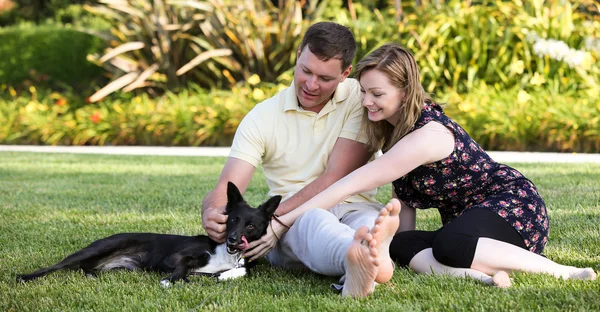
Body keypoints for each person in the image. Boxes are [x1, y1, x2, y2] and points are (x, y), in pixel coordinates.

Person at [254, 43, 597, 297]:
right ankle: (484, 277)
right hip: (471, 229)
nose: (366, 101)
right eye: (363, 92)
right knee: (403, 247)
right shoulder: (391, 130)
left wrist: (281, 223)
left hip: (511, 207)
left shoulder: (428, 134)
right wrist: (395, 241)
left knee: (451, 242)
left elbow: (347, 184)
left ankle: (565, 272)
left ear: (404, 92)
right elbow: (403, 201)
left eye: (377, 93)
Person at [201, 22, 401, 297]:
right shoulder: (262, 117)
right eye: (305, 71)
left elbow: (335, 176)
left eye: (325, 78)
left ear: (345, 74)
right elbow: (227, 185)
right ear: (298, 55)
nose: (311, 84)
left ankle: (365, 257)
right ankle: (360, 257)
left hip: (355, 206)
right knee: (315, 222)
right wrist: (211, 211)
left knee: (367, 222)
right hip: (294, 219)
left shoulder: (360, 97)